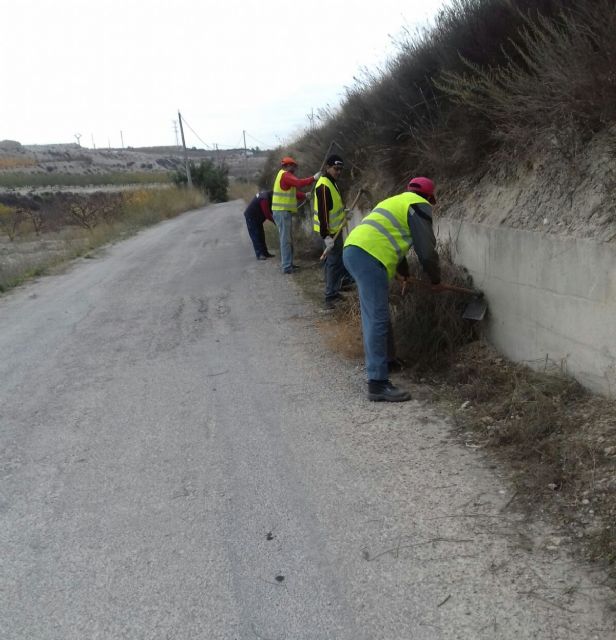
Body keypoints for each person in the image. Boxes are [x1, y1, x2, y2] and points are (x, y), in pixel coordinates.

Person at [342, 177, 443, 402]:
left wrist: (405, 274)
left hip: (355, 250)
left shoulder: (395, 201)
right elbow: (426, 251)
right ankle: (377, 384)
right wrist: (436, 279)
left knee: (378, 314)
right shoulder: (418, 205)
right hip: (369, 257)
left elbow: (393, 242)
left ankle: (387, 361)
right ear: (428, 196)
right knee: (376, 318)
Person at [313, 154, 351, 309]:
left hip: (336, 230)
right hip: (329, 234)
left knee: (335, 262)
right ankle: (329, 297)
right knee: (332, 263)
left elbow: (333, 207)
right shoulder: (323, 185)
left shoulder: (331, 182)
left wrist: (345, 212)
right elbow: (323, 213)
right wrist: (326, 236)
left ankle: (334, 291)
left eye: (340, 169)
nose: (338, 172)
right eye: (336, 168)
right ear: (327, 167)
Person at [272, 156, 320, 274]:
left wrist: (304, 196)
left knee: (287, 239)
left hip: (282, 212)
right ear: (287, 165)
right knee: (285, 240)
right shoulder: (285, 175)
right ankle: (287, 266)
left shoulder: (282, 175)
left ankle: (289, 264)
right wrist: (313, 178)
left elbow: (292, 192)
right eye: (293, 166)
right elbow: (298, 183)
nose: (295, 168)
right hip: (282, 212)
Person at [243, 190, 275, 260]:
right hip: (251, 217)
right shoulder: (264, 199)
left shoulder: (266, 196)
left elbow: (270, 210)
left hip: (257, 217)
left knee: (261, 234)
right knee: (255, 235)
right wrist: (275, 222)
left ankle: (265, 253)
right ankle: (259, 254)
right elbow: (267, 214)